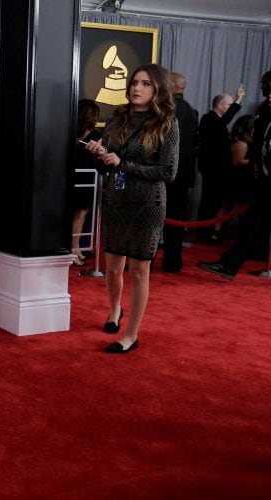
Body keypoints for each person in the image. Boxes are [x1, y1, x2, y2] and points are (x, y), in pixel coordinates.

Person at [84, 64, 179, 354]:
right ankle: (115, 310)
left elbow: (168, 171)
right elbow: (108, 163)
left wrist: (122, 163)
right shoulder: (118, 119)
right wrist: (100, 154)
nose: (136, 88)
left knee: (139, 270)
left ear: (158, 89)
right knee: (113, 268)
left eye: (145, 84)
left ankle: (131, 334)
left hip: (148, 204)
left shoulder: (167, 123)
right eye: (134, 82)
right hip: (115, 200)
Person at [199, 70, 271, 280]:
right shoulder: (264, 114)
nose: (267, 95)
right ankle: (229, 265)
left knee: (251, 224)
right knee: (249, 224)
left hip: (264, 182)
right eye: (266, 90)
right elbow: (259, 146)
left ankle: (229, 265)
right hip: (262, 183)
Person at [196, 88, 245, 241]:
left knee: (214, 201)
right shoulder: (209, 118)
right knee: (208, 201)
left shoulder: (215, 120)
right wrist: (237, 101)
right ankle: (204, 231)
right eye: (229, 105)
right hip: (211, 168)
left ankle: (210, 230)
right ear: (220, 105)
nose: (231, 108)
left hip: (217, 168)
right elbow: (222, 124)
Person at [162, 72, 198, 272]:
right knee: (176, 220)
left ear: (174, 85)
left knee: (153, 218)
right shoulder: (192, 112)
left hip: (163, 172)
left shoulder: (167, 109)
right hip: (183, 174)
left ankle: (144, 263)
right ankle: (173, 262)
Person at [211, 114, 255, 238]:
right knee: (229, 206)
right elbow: (238, 161)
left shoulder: (238, 140)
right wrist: (255, 162)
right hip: (236, 180)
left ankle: (218, 231)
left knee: (229, 206)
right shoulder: (241, 142)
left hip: (236, 179)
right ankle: (216, 232)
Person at [69, 99, 102, 266]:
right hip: (86, 180)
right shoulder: (97, 136)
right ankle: (74, 250)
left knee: (73, 215)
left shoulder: (71, 132)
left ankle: (76, 249)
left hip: (70, 178)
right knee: (80, 216)